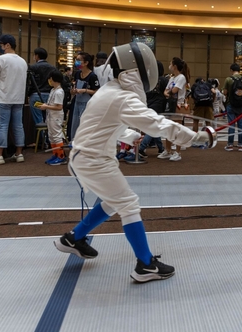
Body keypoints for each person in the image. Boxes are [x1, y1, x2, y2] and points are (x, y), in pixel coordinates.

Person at [54, 42, 215, 283]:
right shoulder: (122, 97)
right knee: (128, 204)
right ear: (135, 71)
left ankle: (73, 238)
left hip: (88, 156)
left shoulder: (110, 91)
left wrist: (129, 135)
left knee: (113, 202)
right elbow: (157, 123)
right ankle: (146, 265)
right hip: (93, 159)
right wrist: (195, 138)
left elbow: (103, 125)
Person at [0, 34, 27, 165]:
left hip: (3, 98)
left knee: (2, 126)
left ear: (7, 45)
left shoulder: (0, 59)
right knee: (18, 126)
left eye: (1, 44)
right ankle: (19, 154)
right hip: (18, 98)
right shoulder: (23, 61)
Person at [159, 57, 190, 161]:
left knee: (177, 130)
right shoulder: (172, 78)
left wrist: (169, 93)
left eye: (171, 64)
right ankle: (168, 150)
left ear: (175, 66)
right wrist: (169, 93)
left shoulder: (181, 77)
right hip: (170, 105)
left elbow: (174, 90)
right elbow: (166, 91)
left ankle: (178, 152)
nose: (170, 66)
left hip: (178, 106)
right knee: (169, 129)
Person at [138, 61, 168, 158]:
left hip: (148, 104)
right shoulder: (163, 80)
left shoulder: (149, 80)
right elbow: (167, 93)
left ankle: (161, 148)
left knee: (155, 127)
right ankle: (141, 147)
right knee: (154, 127)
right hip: (159, 105)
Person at [70, 52, 100, 141]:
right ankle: (74, 142)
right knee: (74, 125)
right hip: (77, 103)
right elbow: (74, 87)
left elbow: (97, 91)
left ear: (86, 63)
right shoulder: (77, 74)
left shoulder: (92, 76)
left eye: (79, 60)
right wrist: (73, 91)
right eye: (76, 60)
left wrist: (84, 90)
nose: (76, 62)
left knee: (84, 126)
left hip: (87, 104)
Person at [39, 70, 67, 165]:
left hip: (56, 117)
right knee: (51, 136)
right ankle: (55, 154)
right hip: (51, 115)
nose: (49, 80)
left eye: (50, 78)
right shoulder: (53, 90)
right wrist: (45, 106)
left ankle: (61, 156)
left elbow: (59, 107)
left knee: (56, 136)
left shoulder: (59, 92)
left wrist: (46, 106)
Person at [222, 63, 242, 151]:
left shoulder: (228, 79)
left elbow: (225, 92)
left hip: (231, 104)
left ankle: (230, 145)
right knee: (241, 125)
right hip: (241, 105)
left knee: (231, 125)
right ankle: (240, 145)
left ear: (231, 70)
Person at [27, 47, 57, 126]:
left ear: (37, 56)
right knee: (48, 118)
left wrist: (28, 94)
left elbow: (29, 82)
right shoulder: (53, 68)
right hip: (50, 95)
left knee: (38, 119)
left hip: (36, 95)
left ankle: (41, 133)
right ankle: (47, 133)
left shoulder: (33, 67)